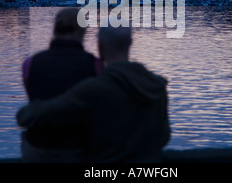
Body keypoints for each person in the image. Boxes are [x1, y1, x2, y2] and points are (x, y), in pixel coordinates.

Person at [17, 26, 171, 163]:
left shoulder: (95, 88)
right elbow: (164, 137)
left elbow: (33, 115)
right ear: (130, 43)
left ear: (100, 46)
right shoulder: (157, 86)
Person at [20, 7, 102, 162]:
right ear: (82, 31)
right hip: (79, 149)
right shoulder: (95, 65)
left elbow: (34, 97)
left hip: (38, 148)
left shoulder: (30, 64)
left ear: (55, 30)